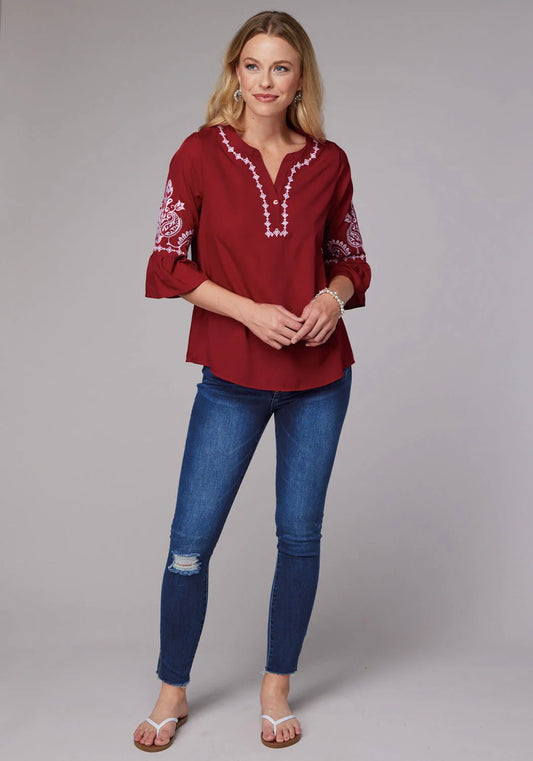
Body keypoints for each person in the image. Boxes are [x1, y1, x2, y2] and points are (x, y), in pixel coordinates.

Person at [133, 9, 371, 752]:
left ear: (300, 79)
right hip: (232, 378)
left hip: (319, 379)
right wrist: (248, 312)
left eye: (281, 67)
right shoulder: (199, 153)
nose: (265, 80)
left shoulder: (328, 161)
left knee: (298, 538)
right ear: (235, 72)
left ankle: (276, 688)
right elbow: (167, 263)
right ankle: (172, 689)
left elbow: (351, 259)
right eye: (253, 65)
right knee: (189, 544)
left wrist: (332, 298)